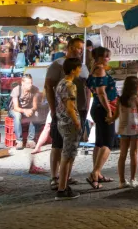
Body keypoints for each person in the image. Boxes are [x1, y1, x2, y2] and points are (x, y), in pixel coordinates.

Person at [44, 36, 88, 191]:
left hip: (80, 109)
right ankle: (55, 177)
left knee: (71, 147)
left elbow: (86, 87)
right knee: (58, 144)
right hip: (64, 112)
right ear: (69, 47)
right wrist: (53, 109)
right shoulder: (58, 65)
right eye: (78, 48)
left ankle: (66, 176)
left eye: (82, 49)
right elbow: (48, 86)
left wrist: (86, 109)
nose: (80, 51)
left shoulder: (82, 66)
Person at [86, 47, 116, 188]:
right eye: (106, 56)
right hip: (102, 109)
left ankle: (97, 174)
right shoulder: (100, 70)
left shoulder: (94, 70)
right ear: (99, 58)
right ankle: (95, 173)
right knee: (107, 143)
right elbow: (101, 93)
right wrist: (109, 111)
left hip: (97, 108)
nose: (108, 59)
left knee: (99, 142)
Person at [54, 58, 83, 200]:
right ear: (73, 70)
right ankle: (62, 189)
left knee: (67, 155)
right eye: (78, 68)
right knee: (67, 156)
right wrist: (77, 122)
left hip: (61, 122)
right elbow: (70, 107)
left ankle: (64, 185)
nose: (80, 70)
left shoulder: (60, 83)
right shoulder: (70, 85)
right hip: (69, 123)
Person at [113, 75, 138, 188]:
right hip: (135, 128)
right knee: (134, 153)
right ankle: (133, 179)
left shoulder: (120, 99)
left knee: (122, 154)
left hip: (123, 128)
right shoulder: (137, 98)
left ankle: (122, 181)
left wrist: (110, 119)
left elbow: (116, 115)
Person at [9, 74, 42, 150]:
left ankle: (30, 140)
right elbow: (16, 107)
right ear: (22, 83)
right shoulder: (16, 90)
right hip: (15, 110)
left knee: (36, 113)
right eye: (27, 83)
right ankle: (19, 141)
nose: (30, 85)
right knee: (17, 115)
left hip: (27, 109)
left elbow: (35, 106)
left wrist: (31, 110)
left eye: (31, 83)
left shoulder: (35, 89)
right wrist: (24, 111)